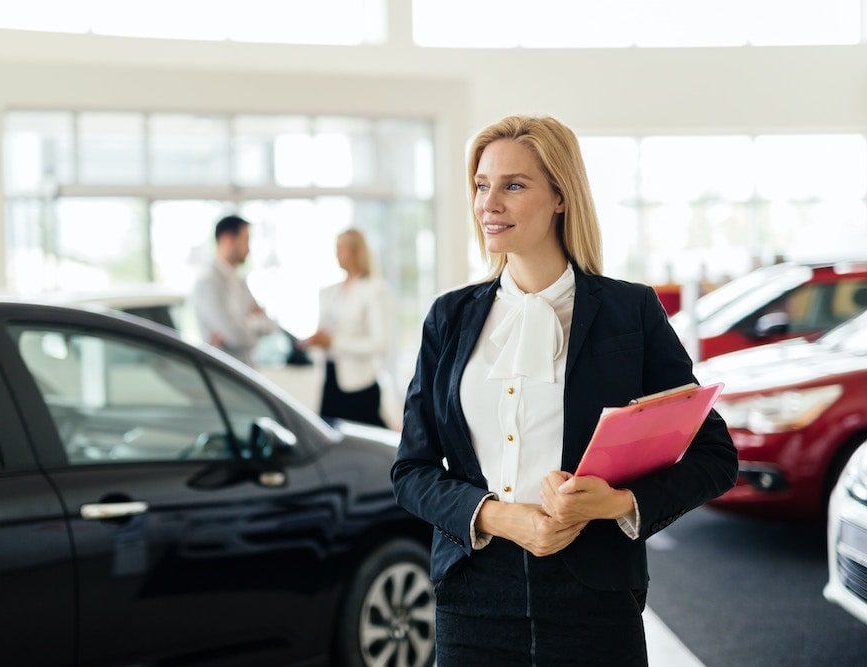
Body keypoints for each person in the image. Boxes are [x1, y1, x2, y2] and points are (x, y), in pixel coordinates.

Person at [390, 114, 738, 665]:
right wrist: (498, 515)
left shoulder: (631, 312)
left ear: (560, 196)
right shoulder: (449, 318)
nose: (489, 203)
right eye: (482, 185)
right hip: (472, 597)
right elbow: (410, 471)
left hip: (595, 597)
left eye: (514, 185)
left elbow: (715, 455)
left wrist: (618, 503)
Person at [301, 228, 390, 427]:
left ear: (356, 252)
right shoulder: (332, 292)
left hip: (358, 385)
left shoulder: (373, 289)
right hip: (330, 379)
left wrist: (334, 342)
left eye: (341, 249)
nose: (337, 255)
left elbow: (379, 344)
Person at [189, 214, 276, 366]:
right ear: (228, 239)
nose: (249, 249)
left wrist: (243, 324)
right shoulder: (208, 282)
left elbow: (270, 326)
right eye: (246, 241)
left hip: (246, 370)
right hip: (223, 375)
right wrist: (253, 321)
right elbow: (239, 337)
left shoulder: (240, 282)